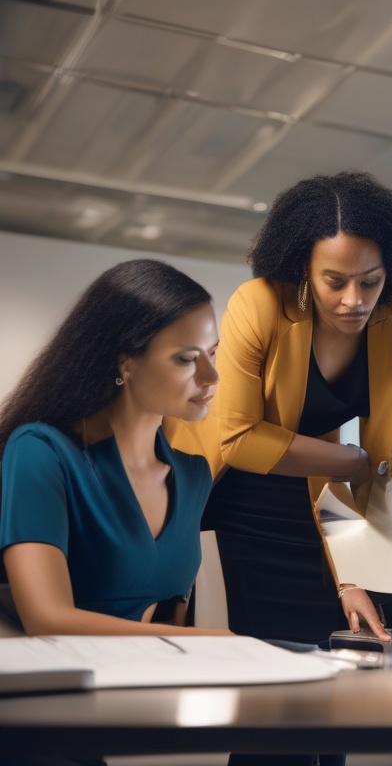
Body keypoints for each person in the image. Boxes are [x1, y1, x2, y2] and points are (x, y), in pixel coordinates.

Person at [167, 171, 392, 647]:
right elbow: (240, 440)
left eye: (370, 281)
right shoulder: (260, 304)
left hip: (312, 489)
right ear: (302, 271)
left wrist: (381, 568)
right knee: (260, 644)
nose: (355, 301)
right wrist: (352, 461)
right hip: (234, 491)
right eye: (335, 281)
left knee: (362, 617)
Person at [0, 259, 226, 636]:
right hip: (63, 686)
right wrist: (207, 641)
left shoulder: (194, 475)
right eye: (187, 359)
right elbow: (46, 619)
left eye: (213, 352)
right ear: (125, 363)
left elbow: (172, 617)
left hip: (155, 682)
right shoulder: (40, 453)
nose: (211, 376)